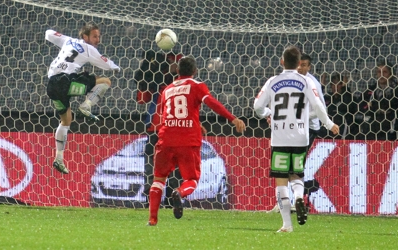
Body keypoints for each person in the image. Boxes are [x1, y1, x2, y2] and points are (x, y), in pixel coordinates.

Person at [147, 56, 246, 226]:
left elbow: (170, 115)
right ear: (195, 71)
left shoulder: (167, 90)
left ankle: (152, 219)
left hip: (166, 139)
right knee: (191, 180)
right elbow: (212, 103)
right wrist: (232, 118)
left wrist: (196, 123)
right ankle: (179, 192)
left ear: (177, 71)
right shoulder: (197, 86)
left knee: (158, 179)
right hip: (188, 141)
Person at [253, 46, 339, 233]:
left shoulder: (272, 81)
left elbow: (257, 106)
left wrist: (269, 113)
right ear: (299, 63)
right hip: (301, 136)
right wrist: (329, 124)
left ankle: (287, 225)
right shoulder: (306, 82)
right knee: (297, 175)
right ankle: (299, 197)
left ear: (282, 62)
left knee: (281, 180)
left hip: (280, 137)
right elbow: (318, 105)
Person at [45, 23, 121, 174]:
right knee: (105, 82)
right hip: (66, 82)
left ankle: (59, 158)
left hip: (52, 86)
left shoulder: (68, 40)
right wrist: (116, 67)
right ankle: (86, 106)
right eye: (94, 36)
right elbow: (105, 63)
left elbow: (48, 34)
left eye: (99, 36)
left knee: (66, 121)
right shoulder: (89, 49)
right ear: (85, 36)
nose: (97, 40)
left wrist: (56, 34)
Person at [269, 53, 326, 213]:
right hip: (292, 127)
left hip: (308, 128)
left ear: (309, 67)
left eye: (305, 65)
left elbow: (321, 108)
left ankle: (290, 202)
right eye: (300, 64)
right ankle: (285, 202)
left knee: (293, 166)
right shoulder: (291, 81)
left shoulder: (311, 83)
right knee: (287, 165)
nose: (301, 68)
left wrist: (302, 116)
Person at [134, 50, 183, 207]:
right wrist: (146, 71)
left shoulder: (182, 83)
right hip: (156, 127)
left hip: (176, 127)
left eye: (174, 63)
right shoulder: (156, 78)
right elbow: (142, 98)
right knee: (152, 166)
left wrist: (166, 73)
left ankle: (172, 198)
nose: (172, 65)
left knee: (174, 166)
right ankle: (151, 200)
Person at [357, 60, 398, 140]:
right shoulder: (370, 90)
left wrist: (372, 106)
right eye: (379, 72)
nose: (381, 75)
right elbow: (360, 105)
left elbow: (392, 106)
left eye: (385, 72)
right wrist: (371, 107)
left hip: (390, 132)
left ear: (391, 74)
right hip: (371, 131)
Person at [324, 72, 355, 138]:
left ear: (342, 85)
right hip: (327, 128)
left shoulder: (347, 97)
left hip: (342, 128)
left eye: (338, 84)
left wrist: (345, 88)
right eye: (333, 84)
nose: (335, 87)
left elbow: (347, 105)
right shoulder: (328, 98)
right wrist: (322, 86)